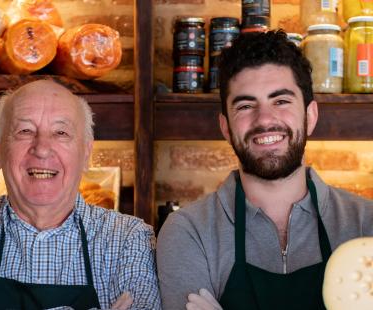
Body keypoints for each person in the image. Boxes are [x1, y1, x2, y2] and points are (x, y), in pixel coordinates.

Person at [156, 30, 373, 310]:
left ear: (310, 116)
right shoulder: (189, 231)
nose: (265, 119)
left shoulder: (366, 224)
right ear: (225, 127)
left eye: (281, 101)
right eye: (246, 106)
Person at [0, 80, 161, 309]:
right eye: (25, 131)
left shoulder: (129, 240)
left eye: (61, 132)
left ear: (86, 152)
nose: (41, 148)